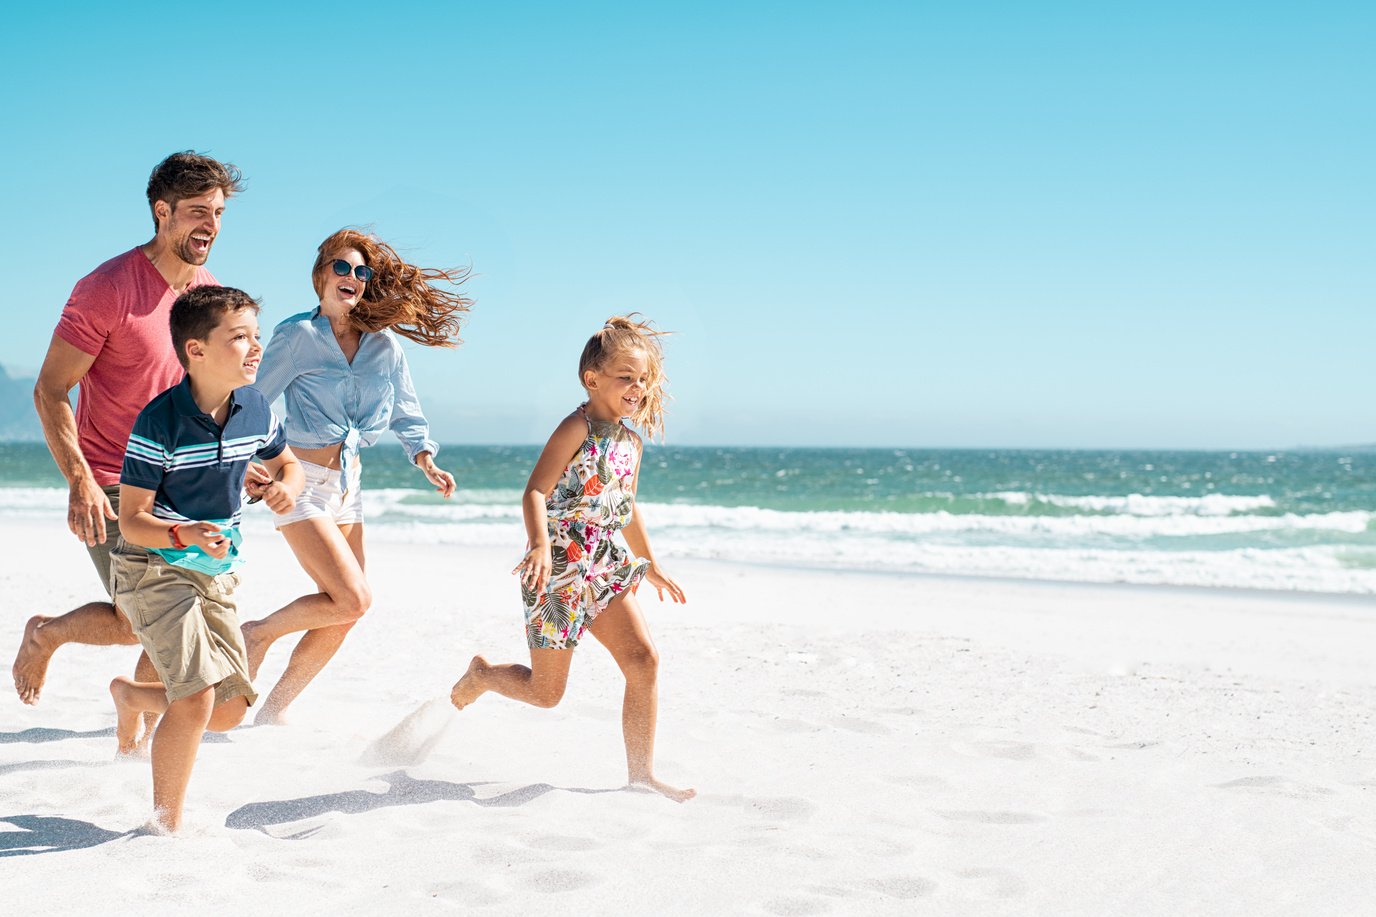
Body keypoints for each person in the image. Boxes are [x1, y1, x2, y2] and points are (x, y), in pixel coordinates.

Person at [14, 151, 245, 706]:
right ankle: (47, 636)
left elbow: (205, 390)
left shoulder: (206, 291)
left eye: (217, 212)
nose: (209, 226)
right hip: (115, 480)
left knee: (163, 610)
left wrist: (239, 457)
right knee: (150, 616)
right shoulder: (107, 288)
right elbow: (50, 390)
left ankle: (136, 718)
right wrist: (80, 481)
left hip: (182, 479)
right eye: (196, 211)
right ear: (161, 212)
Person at [450, 315, 695, 802]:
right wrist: (540, 544)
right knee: (547, 694)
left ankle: (642, 775)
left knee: (643, 660)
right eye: (626, 376)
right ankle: (482, 676)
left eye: (642, 379)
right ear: (593, 379)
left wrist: (653, 563)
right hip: (558, 567)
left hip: (604, 562)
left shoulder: (631, 442)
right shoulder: (575, 427)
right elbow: (535, 492)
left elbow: (624, 509)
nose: (637, 387)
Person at [242, 228, 471, 724]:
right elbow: (251, 400)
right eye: (341, 268)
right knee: (351, 596)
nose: (351, 277)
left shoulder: (383, 347)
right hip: (298, 480)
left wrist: (424, 458)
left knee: (348, 610)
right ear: (321, 275)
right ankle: (256, 634)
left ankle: (274, 710)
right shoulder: (296, 337)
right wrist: (245, 460)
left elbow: (407, 411)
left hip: (349, 486)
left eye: (361, 271)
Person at [108, 285, 303, 833]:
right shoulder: (159, 422)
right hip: (154, 565)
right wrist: (184, 533)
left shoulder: (256, 407)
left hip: (216, 569)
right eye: (239, 337)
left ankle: (132, 696)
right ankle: (163, 826)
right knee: (195, 699)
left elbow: (289, 465)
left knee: (230, 708)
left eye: (256, 336)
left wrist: (286, 485)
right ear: (195, 351)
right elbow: (132, 520)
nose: (255, 347)